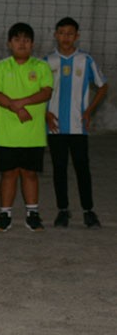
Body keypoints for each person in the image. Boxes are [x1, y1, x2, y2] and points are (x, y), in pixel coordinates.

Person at [0, 23, 53, 232]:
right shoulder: (0, 67)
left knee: (30, 174)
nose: (21, 43)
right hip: (6, 135)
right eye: (17, 39)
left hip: (33, 135)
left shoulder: (41, 66)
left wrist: (21, 103)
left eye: (26, 40)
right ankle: (4, 214)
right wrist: (16, 108)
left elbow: (46, 92)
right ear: (9, 43)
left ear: (32, 44)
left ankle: (32, 214)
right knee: (9, 174)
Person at [45, 17, 108, 228]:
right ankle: (63, 210)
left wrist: (90, 110)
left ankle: (88, 210)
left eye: (70, 33)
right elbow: (39, 92)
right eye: (62, 33)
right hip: (55, 127)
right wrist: (45, 113)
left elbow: (103, 86)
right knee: (59, 168)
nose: (66, 37)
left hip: (78, 126)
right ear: (56, 35)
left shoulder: (86, 60)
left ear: (77, 36)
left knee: (82, 168)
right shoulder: (47, 61)